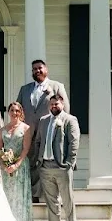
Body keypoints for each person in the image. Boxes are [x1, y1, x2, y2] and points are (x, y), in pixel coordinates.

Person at [15, 59, 68, 198]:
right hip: (28, 133)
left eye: (40, 68)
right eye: (34, 69)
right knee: (31, 162)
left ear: (46, 69)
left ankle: (44, 194)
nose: (37, 71)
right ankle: (31, 194)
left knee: (44, 163)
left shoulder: (56, 86)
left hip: (48, 131)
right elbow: (18, 110)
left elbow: (65, 110)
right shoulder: (25, 89)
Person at [33, 93, 81, 221]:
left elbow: (74, 142)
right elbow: (38, 141)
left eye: (56, 104)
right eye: (52, 104)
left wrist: (69, 163)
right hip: (45, 166)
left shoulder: (69, 120)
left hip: (62, 166)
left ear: (62, 104)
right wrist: (39, 160)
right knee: (51, 199)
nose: (54, 106)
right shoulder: (43, 120)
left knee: (67, 198)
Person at [0, 100, 33, 221]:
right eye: (12, 110)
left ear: (21, 112)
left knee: (18, 197)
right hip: (5, 168)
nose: (14, 113)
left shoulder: (25, 128)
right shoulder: (2, 130)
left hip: (20, 166)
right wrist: (4, 165)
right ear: (8, 112)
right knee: (6, 196)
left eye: (17, 111)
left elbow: (26, 149)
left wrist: (16, 164)